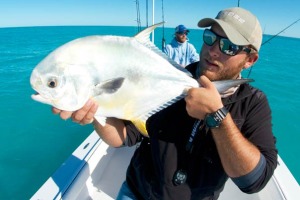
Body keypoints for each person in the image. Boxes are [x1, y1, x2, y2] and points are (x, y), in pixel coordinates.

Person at [53, 7, 278, 200]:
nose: (213, 50)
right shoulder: (167, 77)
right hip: (135, 192)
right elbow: (124, 136)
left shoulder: (253, 104)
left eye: (229, 46)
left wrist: (216, 115)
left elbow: (254, 182)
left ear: (250, 60)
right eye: (210, 38)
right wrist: (95, 112)